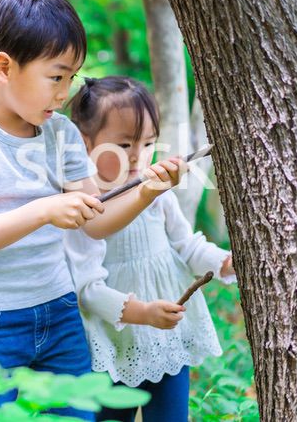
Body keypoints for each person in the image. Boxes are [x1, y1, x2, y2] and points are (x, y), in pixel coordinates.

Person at [0, 0, 186, 420]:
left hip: (60, 313)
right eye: (55, 77)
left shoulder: (60, 133)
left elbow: (95, 221)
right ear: (4, 67)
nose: (64, 93)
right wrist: (45, 209)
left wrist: (146, 191)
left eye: (72, 78)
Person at [64, 76, 236, 422]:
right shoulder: (82, 206)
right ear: (85, 143)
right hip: (113, 343)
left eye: (148, 144)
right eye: (124, 145)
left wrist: (224, 263)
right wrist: (142, 313)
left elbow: (187, 246)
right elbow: (87, 289)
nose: (138, 157)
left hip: (166, 339)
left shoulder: (157, 196)